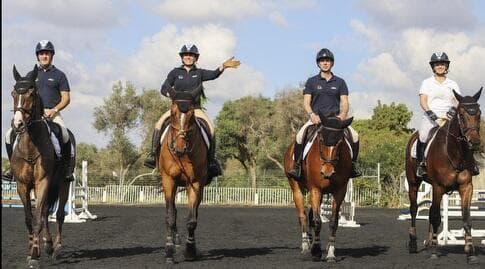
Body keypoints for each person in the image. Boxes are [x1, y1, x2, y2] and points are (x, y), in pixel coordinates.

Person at [144, 44, 240, 182]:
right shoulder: (175, 72)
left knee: (211, 129)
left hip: (194, 109)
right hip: (177, 108)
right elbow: (164, 87)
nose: (188, 57)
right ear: (182, 57)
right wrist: (171, 96)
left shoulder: (199, 73)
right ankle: (153, 155)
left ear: (195, 58)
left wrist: (223, 66)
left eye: (191, 55)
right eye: (186, 55)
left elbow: (213, 75)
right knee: (158, 124)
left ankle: (211, 161)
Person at [3, 40, 73, 181]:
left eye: (46, 53)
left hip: (52, 113)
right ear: (38, 56)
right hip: (32, 115)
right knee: (8, 134)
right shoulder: (31, 75)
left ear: (51, 55)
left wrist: (54, 110)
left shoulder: (60, 75)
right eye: (41, 53)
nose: (44, 56)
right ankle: (12, 168)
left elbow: (66, 98)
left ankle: (66, 169)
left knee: (65, 134)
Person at [287, 48, 361, 180]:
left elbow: (345, 103)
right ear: (318, 64)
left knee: (355, 136)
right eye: (322, 61)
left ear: (332, 63)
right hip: (317, 118)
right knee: (299, 136)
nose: (325, 63)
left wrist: (342, 116)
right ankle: (297, 167)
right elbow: (306, 102)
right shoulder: (312, 81)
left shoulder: (340, 82)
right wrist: (311, 114)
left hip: (335, 120)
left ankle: (353, 166)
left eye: (327, 61)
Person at [416, 52, 479, 177]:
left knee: (464, 134)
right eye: (437, 64)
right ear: (433, 67)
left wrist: (451, 113)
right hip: (430, 116)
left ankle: (472, 162)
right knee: (422, 135)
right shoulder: (427, 83)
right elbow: (423, 101)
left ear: (446, 66)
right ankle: (421, 164)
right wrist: (433, 115)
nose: (440, 66)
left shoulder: (452, 84)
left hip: (449, 116)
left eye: (442, 64)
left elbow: (457, 101)